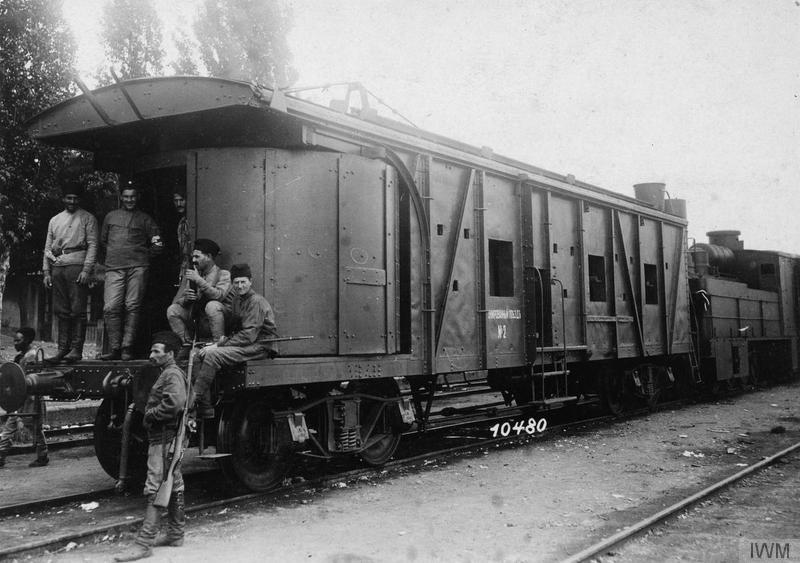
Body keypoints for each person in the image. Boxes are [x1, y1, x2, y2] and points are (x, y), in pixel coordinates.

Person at [115, 331, 188, 562]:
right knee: (173, 483)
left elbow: (175, 403)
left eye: (156, 351)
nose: (151, 355)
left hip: (164, 437)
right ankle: (176, 534)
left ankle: (144, 543)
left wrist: (151, 414)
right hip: (168, 436)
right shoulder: (169, 372)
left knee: (155, 486)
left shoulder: (171, 374)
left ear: (170, 354)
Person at [191, 263, 278, 418]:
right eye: (236, 282)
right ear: (232, 283)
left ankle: (193, 398)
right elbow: (235, 326)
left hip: (259, 346)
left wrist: (219, 345)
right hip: (245, 344)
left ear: (251, 281)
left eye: (243, 282)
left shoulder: (256, 301)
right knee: (197, 353)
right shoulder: (237, 301)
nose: (239, 286)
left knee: (212, 355)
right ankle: (204, 405)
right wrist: (217, 342)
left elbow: (248, 336)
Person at [99, 185, 163, 361]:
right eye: (126, 197)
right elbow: (103, 241)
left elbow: (158, 244)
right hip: (114, 267)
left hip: (138, 268)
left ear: (138, 197)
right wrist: (117, 255)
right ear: (121, 197)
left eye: (132, 197)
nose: (129, 200)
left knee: (132, 306)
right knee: (111, 307)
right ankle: (114, 348)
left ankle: (127, 348)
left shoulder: (145, 219)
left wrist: (142, 257)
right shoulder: (110, 217)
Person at [42, 183, 99, 364]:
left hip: (77, 265)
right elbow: (47, 247)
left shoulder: (87, 218)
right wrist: (46, 272)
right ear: (63, 199)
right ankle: (62, 349)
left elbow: (93, 245)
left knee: (77, 309)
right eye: (68, 198)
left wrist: (86, 269)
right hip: (58, 266)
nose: (72, 201)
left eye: (75, 198)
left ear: (79, 200)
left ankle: (76, 349)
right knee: (61, 310)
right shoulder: (54, 220)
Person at [166, 239, 231, 360]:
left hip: (219, 321)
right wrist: (186, 298)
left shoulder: (223, 274)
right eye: (193, 257)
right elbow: (177, 302)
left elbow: (219, 295)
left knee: (212, 305)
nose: (194, 260)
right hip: (199, 321)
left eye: (197, 256)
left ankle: (218, 345)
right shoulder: (193, 275)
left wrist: (198, 280)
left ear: (209, 256)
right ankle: (187, 344)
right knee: (173, 310)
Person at [0, 328, 49, 468]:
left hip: (30, 399)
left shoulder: (31, 356)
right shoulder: (23, 355)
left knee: (33, 427)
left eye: (18, 340)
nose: (15, 343)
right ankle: (1, 455)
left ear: (27, 340)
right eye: (14, 340)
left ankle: (42, 456)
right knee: (12, 427)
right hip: (20, 398)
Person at [173, 189, 192, 285]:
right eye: (176, 201)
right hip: (184, 262)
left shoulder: (190, 220)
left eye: (182, 200)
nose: (179, 204)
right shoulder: (182, 221)